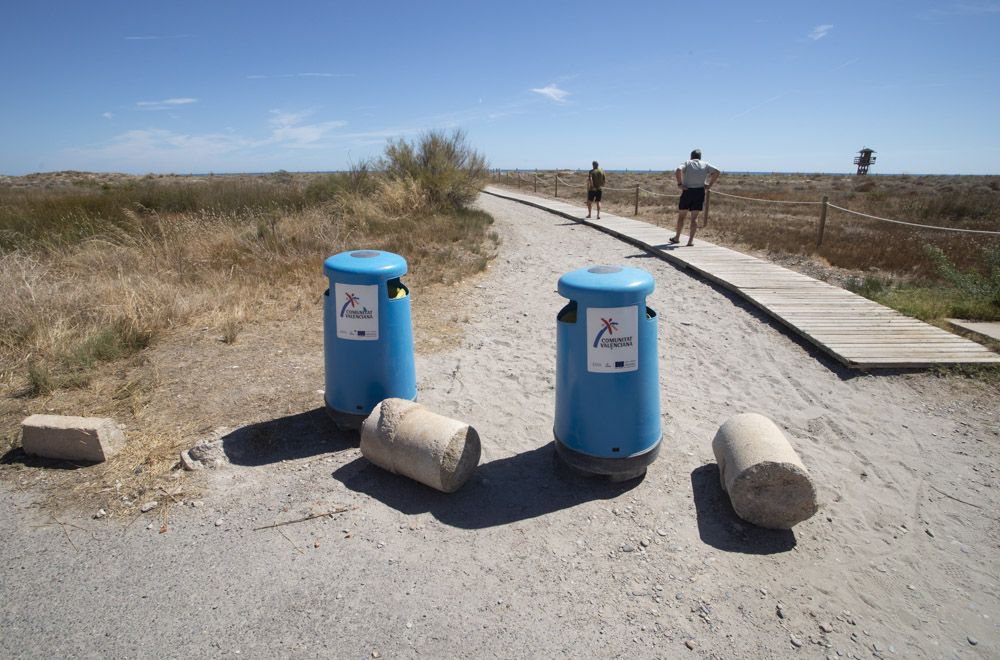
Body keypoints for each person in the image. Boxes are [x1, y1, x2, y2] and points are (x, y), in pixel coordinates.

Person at [669, 149, 720, 246]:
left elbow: (678, 170)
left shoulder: (687, 163)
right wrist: (709, 184)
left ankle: (677, 237)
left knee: (682, 216)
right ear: (700, 157)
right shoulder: (705, 164)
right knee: (694, 217)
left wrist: (680, 184)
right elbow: (717, 171)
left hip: (687, 191)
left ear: (691, 156)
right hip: (699, 191)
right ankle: (690, 241)